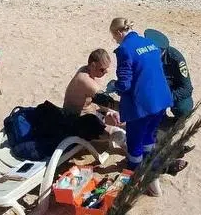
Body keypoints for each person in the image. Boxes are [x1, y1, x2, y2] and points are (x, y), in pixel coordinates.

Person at [107, 17, 172, 196]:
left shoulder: (124, 50)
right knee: (149, 139)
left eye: (114, 37)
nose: (115, 40)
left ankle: (136, 181)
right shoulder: (149, 43)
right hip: (160, 99)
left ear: (119, 32)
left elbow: (125, 84)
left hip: (141, 105)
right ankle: (154, 169)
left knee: (134, 144)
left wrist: (114, 85)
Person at [63, 49, 126, 148]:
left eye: (106, 68)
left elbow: (96, 101)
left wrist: (110, 111)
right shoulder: (85, 80)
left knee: (122, 120)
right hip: (77, 121)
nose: (106, 72)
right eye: (102, 69)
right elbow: (106, 101)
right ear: (92, 65)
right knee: (120, 134)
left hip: (91, 111)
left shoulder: (86, 70)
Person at [144, 29, 194, 119]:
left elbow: (187, 89)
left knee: (184, 109)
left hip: (174, 90)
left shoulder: (176, 59)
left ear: (162, 51)